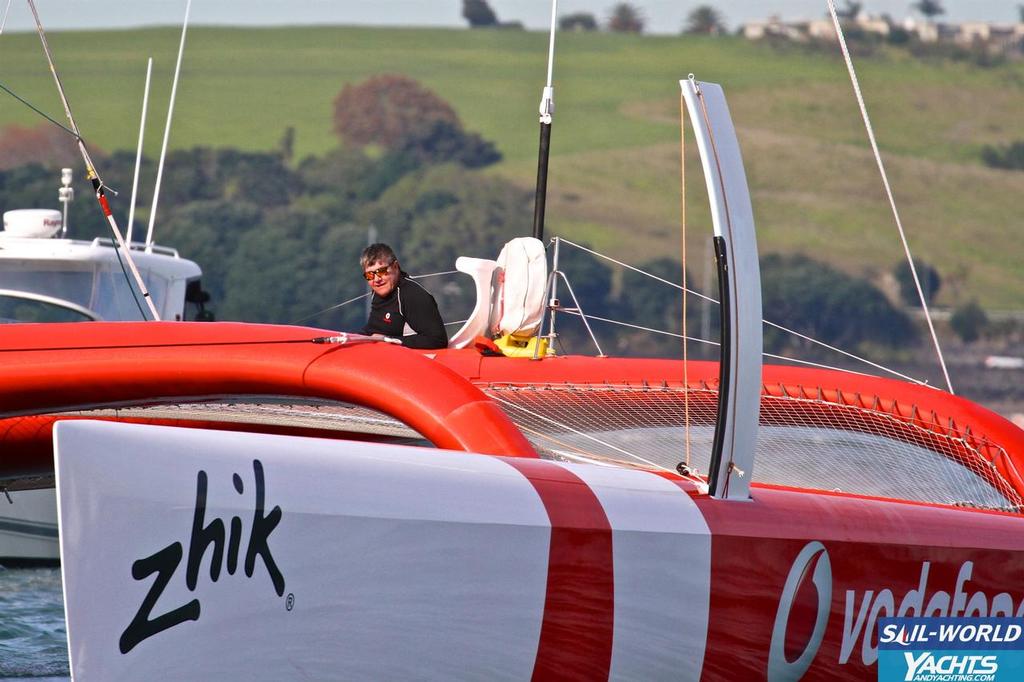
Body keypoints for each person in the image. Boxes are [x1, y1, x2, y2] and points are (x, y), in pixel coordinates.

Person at [359, 243, 448, 349]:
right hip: (380, 353)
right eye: (370, 275)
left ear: (395, 267)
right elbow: (372, 330)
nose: (377, 279)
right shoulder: (380, 290)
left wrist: (387, 340)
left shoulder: (412, 295)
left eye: (381, 271)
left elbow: (438, 340)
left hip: (411, 359)